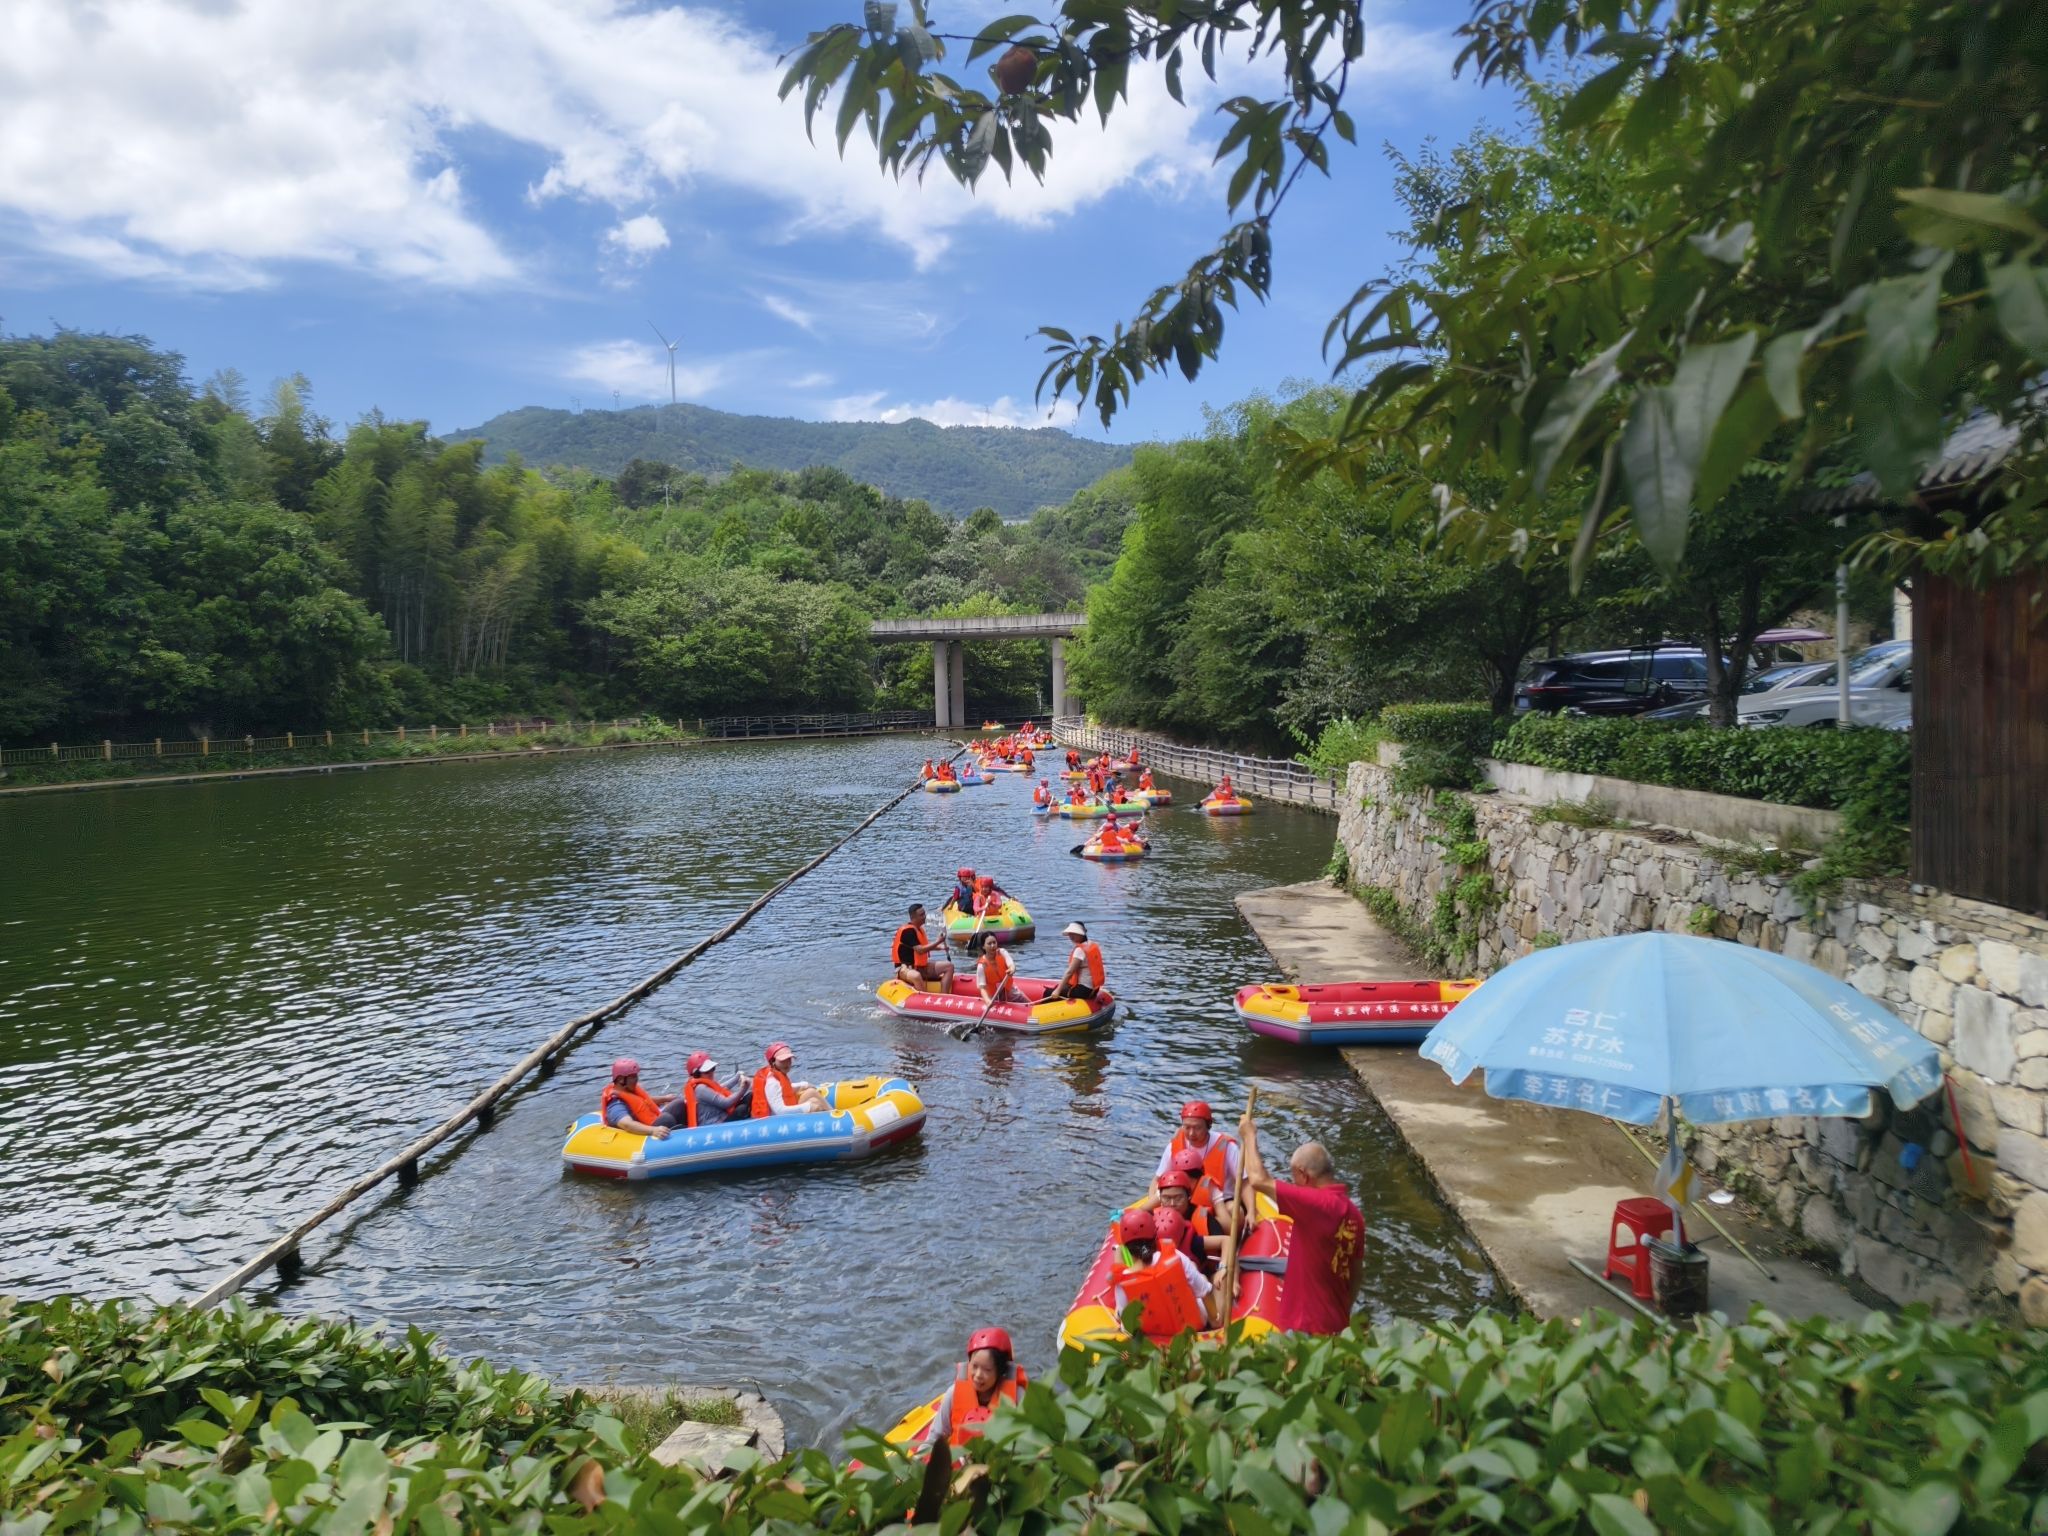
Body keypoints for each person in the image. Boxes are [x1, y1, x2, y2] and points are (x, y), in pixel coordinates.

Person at [1237, 1113, 1366, 1335]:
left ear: (1303, 1175)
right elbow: (1356, 1273)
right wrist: (1344, 1309)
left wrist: (1249, 1135)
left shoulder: (1313, 1203)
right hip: (1335, 1321)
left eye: (1293, 1176)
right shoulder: (1354, 1215)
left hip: (1304, 1324)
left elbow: (1258, 1180)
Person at [915, 1328, 1027, 1449]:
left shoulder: (1018, 1396)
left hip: (1000, 1464)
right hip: (961, 1462)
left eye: (987, 1370)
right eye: (974, 1366)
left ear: (1000, 1371)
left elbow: (1031, 1440)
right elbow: (933, 1439)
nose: (978, 1375)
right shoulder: (953, 1393)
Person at [1108, 1208, 1217, 1332]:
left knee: (1119, 1312)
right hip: (1193, 1328)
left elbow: (1127, 1324)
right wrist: (1214, 1321)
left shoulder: (1123, 1281)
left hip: (1155, 1340)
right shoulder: (1174, 1256)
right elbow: (1204, 1290)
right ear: (1155, 1237)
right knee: (1202, 1279)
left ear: (1126, 1248)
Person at [1157, 1100, 1241, 1231]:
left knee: (1231, 1213)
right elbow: (1157, 1181)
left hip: (1217, 1201)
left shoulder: (1211, 1187)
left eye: (1197, 1127)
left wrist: (1251, 1213)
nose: (1191, 1133)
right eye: (1187, 1127)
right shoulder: (1173, 1192)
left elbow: (1228, 1226)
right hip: (1183, 1200)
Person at [598, 1058, 686, 1138]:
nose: (637, 1079)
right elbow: (627, 1124)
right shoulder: (615, 1105)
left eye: (636, 1076)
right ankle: (681, 1141)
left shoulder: (628, 1090)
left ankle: (690, 1131)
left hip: (650, 1120)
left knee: (679, 1103)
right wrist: (653, 1131)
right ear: (621, 1079)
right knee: (667, 1119)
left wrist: (665, 1098)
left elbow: (645, 1101)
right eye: (633, 1077)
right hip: (644, 1132)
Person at [751, 1042, 829, 1116]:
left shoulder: (778, 1075)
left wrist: (804, 1085)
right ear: (772, 1061)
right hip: (777, 1119)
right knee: (813, 1104)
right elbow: (779, 1111)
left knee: (811, 1092)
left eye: (789, 1059)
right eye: (782, 1060)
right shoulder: (772, 1083)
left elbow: (785, 1089)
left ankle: (832, 1113)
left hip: (787, 1109)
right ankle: (831, 1120)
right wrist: (808, 1107)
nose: (787, 1063)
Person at [894, 902, 956, 991]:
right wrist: (938, 941)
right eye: (921, 915)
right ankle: (923, 998)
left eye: (924, 914)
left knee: (949, 966)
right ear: (913, 918)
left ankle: (944, 996)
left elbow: (924, 946)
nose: (924, 916)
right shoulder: (907, 932)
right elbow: (920, 950)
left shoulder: (919, 929)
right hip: (905, 968)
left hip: (921, 967)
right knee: (916, 976)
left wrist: (940, 947)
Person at [680, 1050, 749, 1128]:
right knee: (742, 1109)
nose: (711, 1073)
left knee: (748, 1097)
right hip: (713, 1126)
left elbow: (721, 1088)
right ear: (697, 1074)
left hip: (721, 1119)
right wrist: (744, 1088)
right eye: (706, 1071)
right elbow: (726, 1103)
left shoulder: (703, 1085)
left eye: (712, 1069)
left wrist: (738, 1077)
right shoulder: (700, 1089)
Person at [1048, 921, 1105, 1001]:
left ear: (1081, 934)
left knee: (1048, 992)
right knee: (1057, 988)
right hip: (1094, 989)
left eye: (1074, 933)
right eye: (1070, 934)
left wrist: (1057, 991)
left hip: (1083, 991)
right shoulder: (1091, 945)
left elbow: (1070, 972)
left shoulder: (1079, 950)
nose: (1071, 936)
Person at [975, 931, 1019, 1005]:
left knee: (1029, 1005)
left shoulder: (1002, 952)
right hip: (994, 997)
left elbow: (1011, 965)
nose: (993, 946)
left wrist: (1012, 969)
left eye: (994, 942)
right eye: (989, 944)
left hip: (1010, 991)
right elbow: (982, 987)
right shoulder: (982, 965)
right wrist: (987, 1001)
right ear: (983, 946)